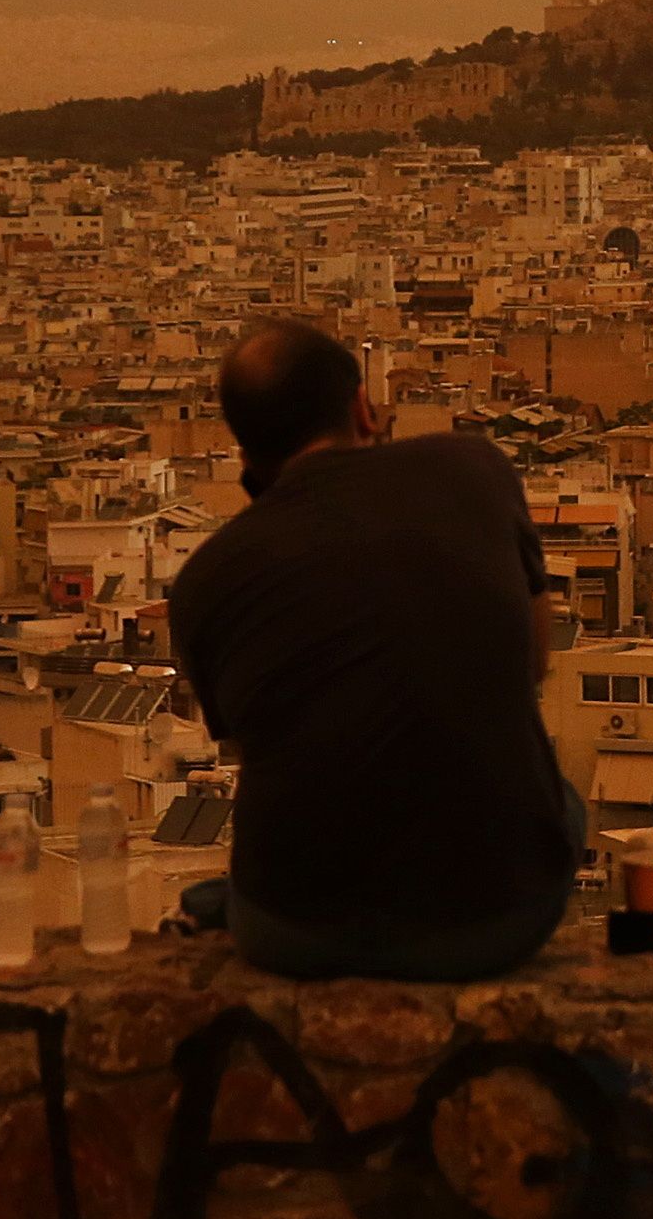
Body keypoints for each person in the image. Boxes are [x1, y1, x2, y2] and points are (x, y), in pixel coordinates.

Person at [164, 317, 581, 979]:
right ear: (362, 406)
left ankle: (221, 903)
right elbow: (532, 662)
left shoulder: (203, 583)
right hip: (498, 917)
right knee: (559, 794)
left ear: (242, 454)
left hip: (295, 933)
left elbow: (262, 741)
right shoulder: (470, 471)